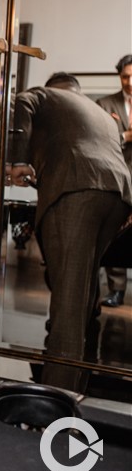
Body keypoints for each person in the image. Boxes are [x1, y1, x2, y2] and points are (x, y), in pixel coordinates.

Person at [7, 72, 132, 391]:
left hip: (78, 188)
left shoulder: (47, 96)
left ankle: (56, 393)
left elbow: (22, 100)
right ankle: (80, 380)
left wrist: (18, 161)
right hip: (117, 195)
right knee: (84, 289)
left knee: (68, 298)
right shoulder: (101, 113)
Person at [96, 54, 132, 307]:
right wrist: (127, 136)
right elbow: (101, 139)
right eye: (125, 76)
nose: (129, 81)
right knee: (115, 231)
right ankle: (116, 289)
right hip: (118, 177)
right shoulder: (104, 103)